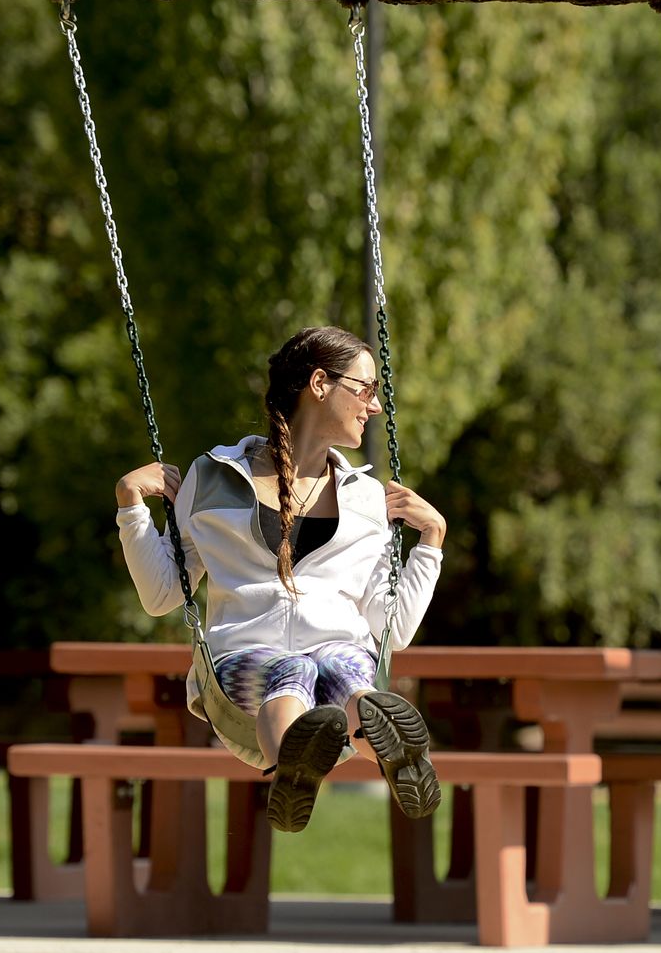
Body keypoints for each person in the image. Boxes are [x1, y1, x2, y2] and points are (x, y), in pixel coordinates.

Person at [113, 326, 448, 833]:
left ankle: (380, 736)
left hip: (340, 651)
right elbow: (163, 594)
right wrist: (130, 505)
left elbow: (393, 627)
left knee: (346, 674)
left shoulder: (365, 498)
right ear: (319, 383)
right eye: (366, 389)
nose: (374, 406)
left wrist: (431, 541)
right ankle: (295, 765)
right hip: (242, 663)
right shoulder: (213, 477)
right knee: (291, 671)